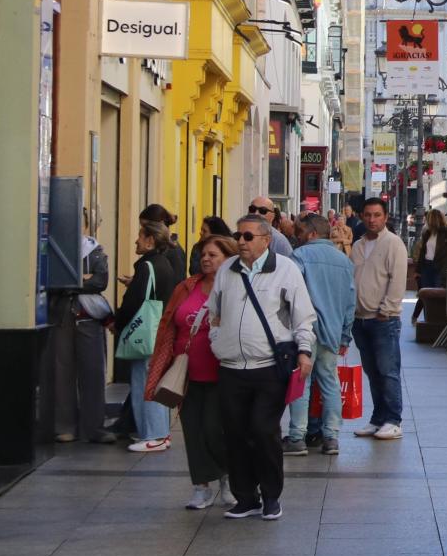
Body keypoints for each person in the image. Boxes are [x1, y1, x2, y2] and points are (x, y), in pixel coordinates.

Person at [203, 213, 316, 520]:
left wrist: (304, 352)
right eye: (239, 235)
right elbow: (213, 311)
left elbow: (303, 317)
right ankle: (245, 497)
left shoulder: (286, 270)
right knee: (236, 434)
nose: (241, 241)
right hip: (231, 367)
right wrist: (217, 340)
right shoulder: (228, 270)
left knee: (263, 431)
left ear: (266, 240)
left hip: (268, 367)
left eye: (248, 236)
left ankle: (271, 495)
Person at [146, 235, 236, 510]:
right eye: (203, 255)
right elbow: (168, 321)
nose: (206, 259)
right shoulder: (186, 287)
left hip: (222, 372)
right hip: (186, 372)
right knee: (193, 431)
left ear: (227, 259)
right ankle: (201, 487)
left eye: (213, 255)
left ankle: (227, 478)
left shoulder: (235, 289)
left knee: (214, 429)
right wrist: (160, 356)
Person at [285, 214, 356, 456]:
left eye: (301, 232)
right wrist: (345, 335)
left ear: (313, 233)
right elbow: (350, 301)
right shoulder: (344, 261)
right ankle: (331, 437)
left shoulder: (300, 256)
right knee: (330, 382)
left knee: (301, 383)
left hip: (305, 330)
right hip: (333, 331)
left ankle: (297, 437)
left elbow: (290, 293)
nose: (298, 236)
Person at [115, 220, 181, 453]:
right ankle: (156, 433)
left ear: (151, 240)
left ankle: (154, 434)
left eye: (140, 236)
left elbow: (134, 301)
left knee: (145, 382)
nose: (136, 240)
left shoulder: (146, 266)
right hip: (161, 332)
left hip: (147, 334)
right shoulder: (165, 264)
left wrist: (119, 322)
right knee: (153, 381)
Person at [50, 210, 115, 444]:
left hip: (88, 317)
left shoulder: (96, 251)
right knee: (62, 371)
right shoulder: (55, 250)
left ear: (87, 225)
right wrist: (82, 280)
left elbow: (101, 281)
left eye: (80, 222)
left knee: (94, 372)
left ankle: (94, 427)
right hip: (62, 315)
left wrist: (73, 283)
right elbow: (54, 282)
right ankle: (64, 426)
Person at [352, 197, 409, 441]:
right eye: (367, 215)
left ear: (385, 217)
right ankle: (378, 418)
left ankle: (393, 419)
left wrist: (386, 311)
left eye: (376, 215)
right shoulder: (358, 246)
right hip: (360, 318)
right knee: (372, 371)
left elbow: (398, 280)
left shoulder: (393, 244)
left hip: (383, 319)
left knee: (388, 370)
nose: (372, 219)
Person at [413, 209, 447, 290]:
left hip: (439, 267)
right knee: (425, 292)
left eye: (428, 219)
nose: (426, 221)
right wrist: (418, 270)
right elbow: (423, 252)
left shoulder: (445, 233)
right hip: (426, 266)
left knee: (437, 291)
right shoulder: (427, 233)